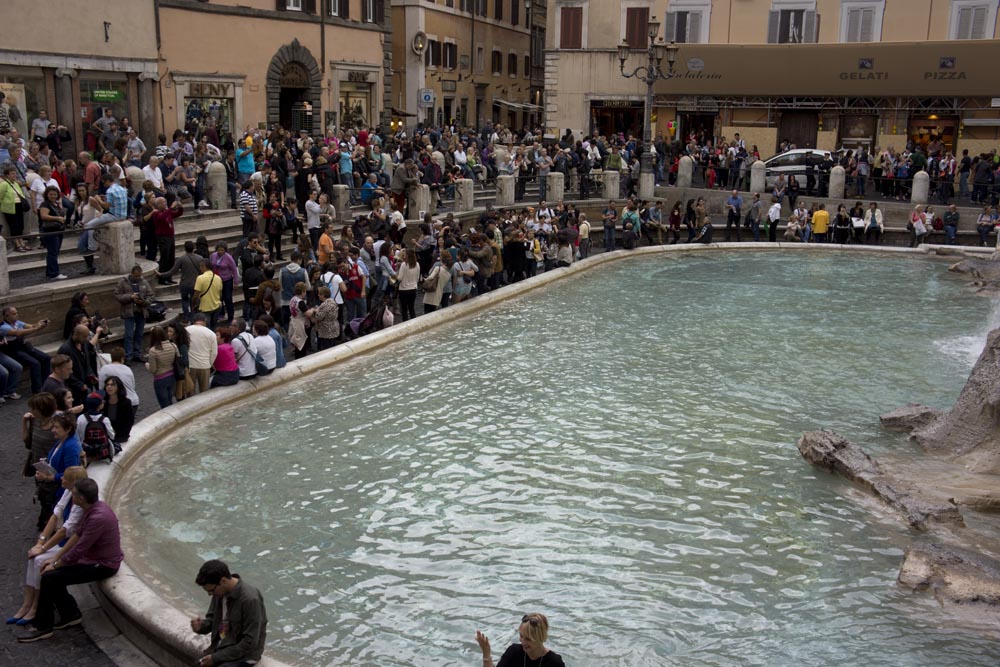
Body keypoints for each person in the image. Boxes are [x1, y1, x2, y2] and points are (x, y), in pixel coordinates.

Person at [16, 478, 122, 643]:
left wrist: (55, 565)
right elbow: (76, 536)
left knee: (50, 577)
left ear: (80, 498)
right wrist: (54, 559)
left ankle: (43, 626)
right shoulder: (92, 509)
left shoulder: (97, 518)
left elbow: (79, 550)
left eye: (73, 493)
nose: (71, 495)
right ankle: (70, 614)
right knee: (53, 573)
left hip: (103, 565)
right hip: (92, 559)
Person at [8, 464, 88, 626]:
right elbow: (54, 516)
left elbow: (64, 531)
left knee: (38, 561)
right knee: (33, 558)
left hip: (70, 545)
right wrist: (40, 542)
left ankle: (36, 606)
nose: (61, 479)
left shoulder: (78, 502)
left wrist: (43, 548)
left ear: (73, 483)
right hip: (65, 541)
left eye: (65, 477)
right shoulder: (69, 492)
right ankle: (27, 603)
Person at [191, 559, 268, 667]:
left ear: (223, 581)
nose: (210, 594)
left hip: (243, 656)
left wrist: (216, 658)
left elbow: (249, 643)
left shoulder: (250, 599)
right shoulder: (218, 592)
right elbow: (212, 621)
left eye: (211, 590)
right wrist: (201, 627)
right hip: (222, 648)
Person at [476, 613, 565, 667]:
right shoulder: (513, 652)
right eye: (521, 636)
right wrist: (486, 652)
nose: (523, 642)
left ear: (540, 638)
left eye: (528, 639)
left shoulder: (555, 663)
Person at [1, 306, 52, 396]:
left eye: (16, 312)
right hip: (13, 351)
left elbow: (30, 326)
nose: (17, 315)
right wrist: (36, 328)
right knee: (35, 363)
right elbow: (18, 333)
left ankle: (47, 384)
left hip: (24, 347)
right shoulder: (4, 327)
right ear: (6, 316)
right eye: (14, 314)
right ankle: (37, 390)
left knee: (46, 358)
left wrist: (39, 324)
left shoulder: (17, 322)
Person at [114, 265, 155, 363]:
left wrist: (144, 302)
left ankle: (137, 353)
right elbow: (117, 295)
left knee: (139, 334)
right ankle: (128, 356)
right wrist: (130, 297)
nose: (138, 278)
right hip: (129, 312)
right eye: (136, 276)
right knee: (129, 335)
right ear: (132, 273)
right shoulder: (123, 282)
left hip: (141, 311)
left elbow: (151, 296)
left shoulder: (144, 282)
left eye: (139, 276)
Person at [146, 326, 179, 409]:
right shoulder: (173, 345)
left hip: (160, 379)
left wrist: (147, 365)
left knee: (164, 405)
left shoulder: (153, 351)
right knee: (170, 399)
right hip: (172, 376)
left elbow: (153, 369)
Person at [186, 313, 218, 394]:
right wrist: (209, 364)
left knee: (190, 390)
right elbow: (214, 353)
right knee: (204, 392)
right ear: (205, 321)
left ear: (194, 321)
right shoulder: (211, 333)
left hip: (190, 365)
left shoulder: (186, 330)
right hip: (204, 365)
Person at [194, 260, 224, 329]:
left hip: (205, 307)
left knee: (206, 328)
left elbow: (196, 294)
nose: (200, 268)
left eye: (201, 266)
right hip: (216, 305)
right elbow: (220, 293)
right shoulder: (218, 278)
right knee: (214, 326)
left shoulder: (200, 278)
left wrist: (194, 303)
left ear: (204, 266)